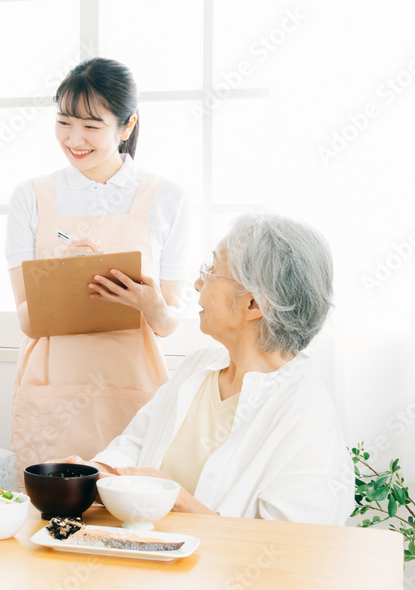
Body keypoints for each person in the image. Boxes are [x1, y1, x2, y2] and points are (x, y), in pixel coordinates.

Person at [59, 214, 353, 525]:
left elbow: (291, 547)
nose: (199, 282)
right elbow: (134, 446)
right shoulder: (199, 366)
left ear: (253, 304)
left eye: (212, 271)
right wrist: (90, 473)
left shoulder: (307, 413)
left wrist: (174, 498)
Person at [6, 57, 189, 471]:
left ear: (127, 127)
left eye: (91, 126)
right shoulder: (31, 197)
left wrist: (149, 302)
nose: (75, 139)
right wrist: (60, 277)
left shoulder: (166, 198)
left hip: (133, 385)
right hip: (53, 387)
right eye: (65, 122)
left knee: (132, 515)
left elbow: (166, 323)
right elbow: (27, 321)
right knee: (49, 520)